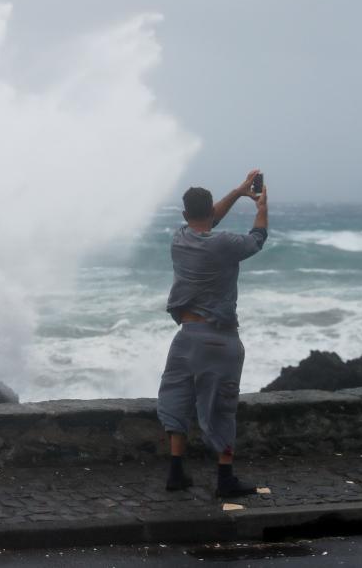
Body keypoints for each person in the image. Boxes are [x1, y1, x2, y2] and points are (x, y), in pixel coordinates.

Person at [156, 170, 268, 497]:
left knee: (177, 398)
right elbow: (257, 239)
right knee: (222, 406)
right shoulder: (225, 244)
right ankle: (225, 478)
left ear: (184, 214)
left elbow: (207, 220)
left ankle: (176, 472)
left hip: (185, 337)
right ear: (209, 212)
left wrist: (237, 191)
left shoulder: (180, 238)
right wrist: (260, 205)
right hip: (219, 339)